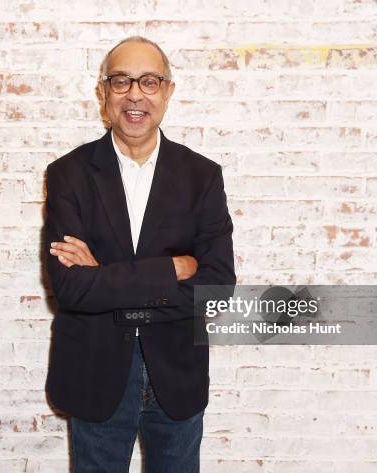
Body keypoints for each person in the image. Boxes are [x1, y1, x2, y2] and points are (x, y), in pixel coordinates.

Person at [44, 36, 236, 473]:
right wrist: (173, 268)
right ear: (103, 93)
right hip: (96, 370)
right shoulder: (68, 175)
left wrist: (106, 277)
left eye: (149, 82)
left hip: (177, 371)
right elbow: (72, 289)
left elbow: (217, 290)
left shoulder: (202, 177)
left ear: (167, 92)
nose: (135, 94)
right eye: (121, 81)